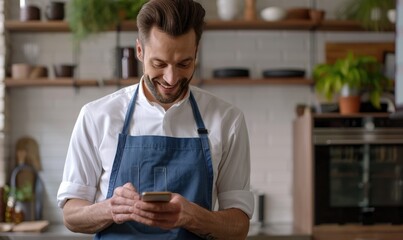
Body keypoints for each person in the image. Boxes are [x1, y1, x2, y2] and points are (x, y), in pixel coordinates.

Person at [57, 0, 254, 239]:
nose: (171, 78)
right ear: (139, 51)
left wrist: (193, 216)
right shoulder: (97, 116)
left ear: (196, 53)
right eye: (159, 64)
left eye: (184, 63)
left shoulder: (227, 120)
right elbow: (71, 215)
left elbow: (239, 226)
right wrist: (111, 208)